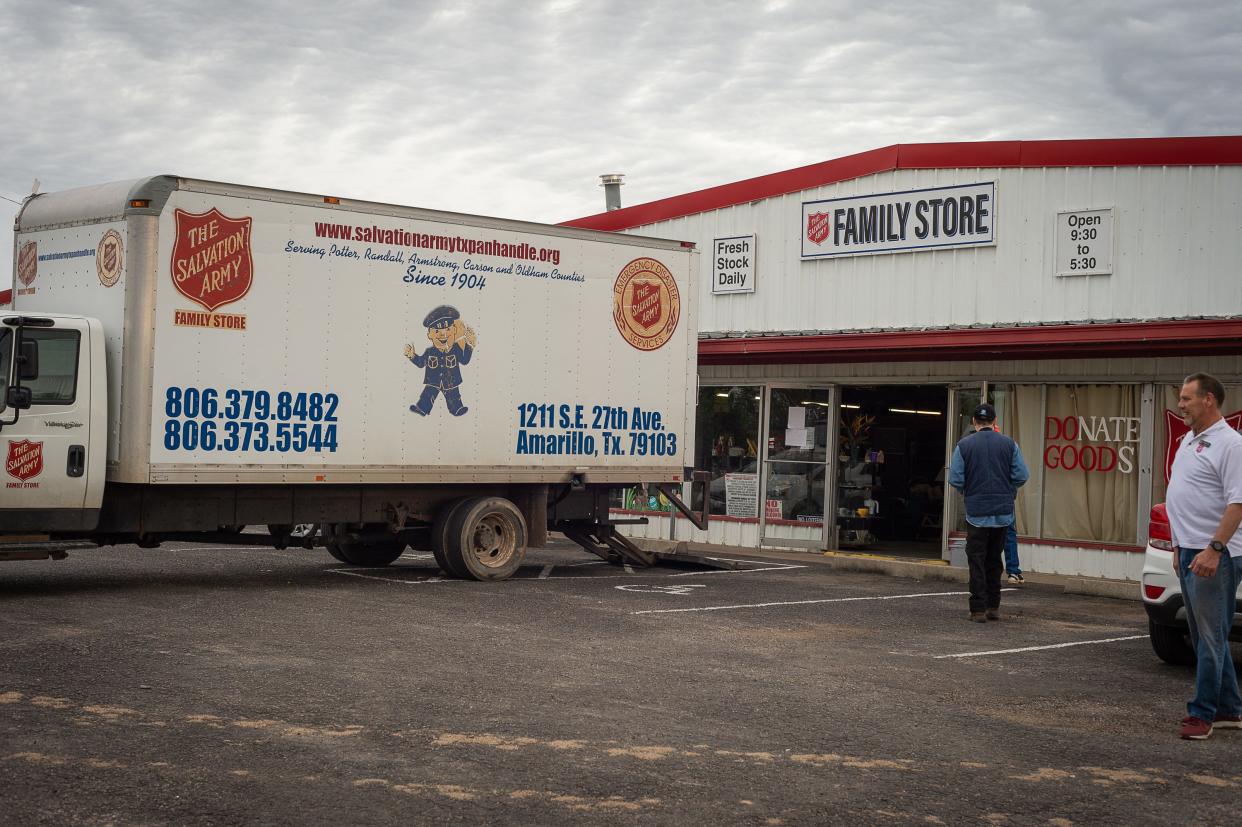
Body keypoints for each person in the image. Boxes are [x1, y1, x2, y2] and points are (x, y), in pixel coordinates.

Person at [1164, 372, 1242, 740]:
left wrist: (1214, 549)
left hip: (1216, 553)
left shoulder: (1231, 444)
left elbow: (1238, 502)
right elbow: (1182, 495)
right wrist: (1179, 545)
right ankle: (1229, 710)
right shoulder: (1188, 441)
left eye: (1186, 398)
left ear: (1209, 399)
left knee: (1210, 636)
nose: (1180, 405)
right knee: (1204, 636)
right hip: (1191, 549)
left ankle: (1202, 714)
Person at [948, 403, 1030, 622]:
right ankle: (993, 606)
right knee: (994, 559)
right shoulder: (1009, 444)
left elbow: (955, 478)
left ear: (974, 422)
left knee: (977, 560)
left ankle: (977, 609)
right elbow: (1022, 475)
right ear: (995, 422)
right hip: (1003, 511)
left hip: (976, 512)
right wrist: (1008, 489)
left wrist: (968, 490)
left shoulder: (964, 446)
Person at [405, 305, 476, 417]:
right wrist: (412, 356)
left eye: (448, 329)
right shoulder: (429, 352)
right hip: (433, 381)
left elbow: (465, 360)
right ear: (430, 335)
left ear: (454, 330)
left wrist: (470, 345)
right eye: (437, 331)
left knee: (454, 396)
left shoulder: (456, 348)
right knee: (427, 395)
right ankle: (422, 409)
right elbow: (420, 363)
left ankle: (457, 409)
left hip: (451, 382)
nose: (443, 334)